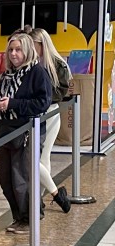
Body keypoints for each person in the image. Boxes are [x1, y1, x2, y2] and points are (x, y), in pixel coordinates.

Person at [0, 33, 53, 234]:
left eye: (18, 49)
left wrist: (13, 103)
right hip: (7, 130)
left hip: (28, 132)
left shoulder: (37, 72)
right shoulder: (8, 74)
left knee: (22, 179)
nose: (13, 54)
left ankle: (28, 218)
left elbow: (42, 103)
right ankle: (18, 215)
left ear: (27, 50)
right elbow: (2, 98)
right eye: (10, 50)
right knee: (6, 179)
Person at [30, 28, 73, 213]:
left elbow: (59, 93)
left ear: (42, 44)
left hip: (49, 113)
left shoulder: (58, 64)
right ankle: (54, 194)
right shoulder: (31, 63)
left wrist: (39, 97)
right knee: (35, 156)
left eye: (33, 44)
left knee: (40, 156)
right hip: (33, 114)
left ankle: (42, 198)